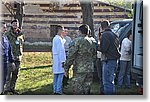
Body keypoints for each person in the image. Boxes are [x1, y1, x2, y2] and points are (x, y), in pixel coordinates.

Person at [64, 24, 97, 95]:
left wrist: (66, 68)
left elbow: (71, 56)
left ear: (79, 31)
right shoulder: (93, 41)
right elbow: (95, 56)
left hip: (79, 68)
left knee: (77, 89)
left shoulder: (77, 41)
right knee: (87, 89)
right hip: (90, 68)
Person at [99, 20, 120, 95]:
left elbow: (103, 49)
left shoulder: (105, 35)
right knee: (111, 81)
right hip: (114, 60)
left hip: (108, 60)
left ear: (101, 27)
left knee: (107, 82)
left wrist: (96, 46)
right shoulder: (114, 34)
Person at [4, 19, 24, 94]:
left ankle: (12, 88)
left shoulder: (21, 34)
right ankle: (6, 90)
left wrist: (21, 54)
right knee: (8, 74)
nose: (15, 25)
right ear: (11, 25)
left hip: (18, 57)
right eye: (14, 24)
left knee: (15, 74)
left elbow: (22, 45)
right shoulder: (7, 34)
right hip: (10, 58)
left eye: (16, 24)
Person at [0, 22, 16, 94]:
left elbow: (9, 50)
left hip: (5, 63)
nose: (5, 29)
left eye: (6, 27)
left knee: (4, 79)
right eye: (4, 27)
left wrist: (12, 61)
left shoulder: (5, 38)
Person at [52, 25, 66, 95]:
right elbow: (61, 51)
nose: (63, 32)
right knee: (60, 75)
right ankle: (58, 90)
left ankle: (55, 89)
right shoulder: (59, 39)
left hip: (56, 59)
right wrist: (63, 61)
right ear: (60, 30)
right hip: (59, 59)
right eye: (63, 30)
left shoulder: (56, 38)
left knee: (56, 75)